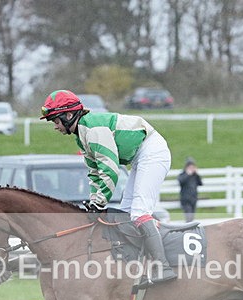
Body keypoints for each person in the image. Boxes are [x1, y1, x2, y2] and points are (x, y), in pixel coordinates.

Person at [40, 89, 176, 286]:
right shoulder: (82, 134)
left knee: (138, 212)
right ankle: (141, 264)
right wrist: (95, 201)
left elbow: (110, 170)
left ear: (69, 115)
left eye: (56, 120)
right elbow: (95, 173)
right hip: (140, 156)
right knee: (125, 213)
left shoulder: (93, 130)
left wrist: (100, 202)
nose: (55, 126)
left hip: (152, 152)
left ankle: (163, 267)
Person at [177, 157, 203, 222]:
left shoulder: (195, 176)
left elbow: (200, 183)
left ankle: (190, 228)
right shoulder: (183, 174)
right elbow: (180, 181)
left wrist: (196, 174)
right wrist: (187, 174)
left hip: (193, 198)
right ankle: (188, 228)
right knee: (188, 215)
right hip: (185, 199)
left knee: (192, 216)